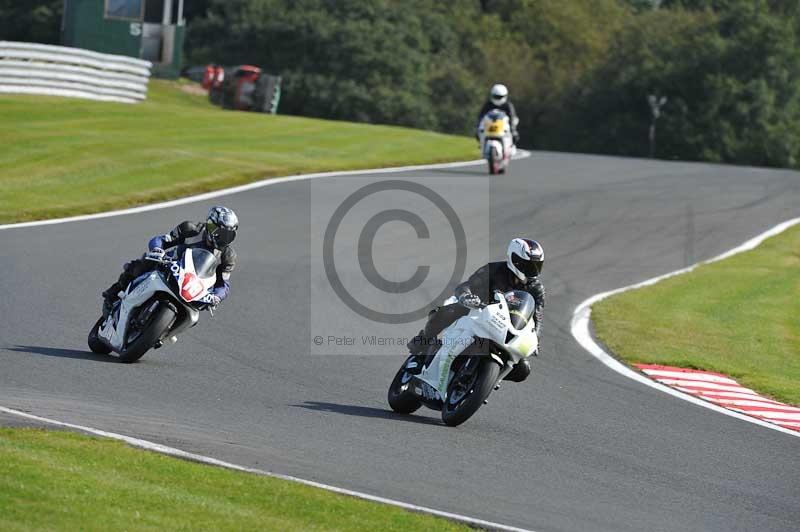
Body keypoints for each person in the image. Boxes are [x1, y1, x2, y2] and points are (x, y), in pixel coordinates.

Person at [408, 238, 545, 382]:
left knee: (523, 369)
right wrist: (466, 296)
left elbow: (537, 317)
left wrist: (535, 339)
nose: (534, 271)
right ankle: (422, 346)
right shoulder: (494, 269)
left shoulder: (536, 288)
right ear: (515, 261)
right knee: (448, 312)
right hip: (478, 311)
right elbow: (466, 286)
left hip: (506, 325)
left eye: (537, 266)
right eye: (529, 266)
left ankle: (489, 378)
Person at [102, 206, 239, 317]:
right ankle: (114, 292)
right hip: (171, 265)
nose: (223, 238)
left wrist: (217, 296)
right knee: (143, 264)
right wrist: (157, 250)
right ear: (210, 226)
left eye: (229, 235)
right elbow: (161, 240)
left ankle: (164, 331)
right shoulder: (191, 229)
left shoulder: (228, 256)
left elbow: (224, 284)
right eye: (220, 232)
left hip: (193, 285)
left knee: (197, 311)